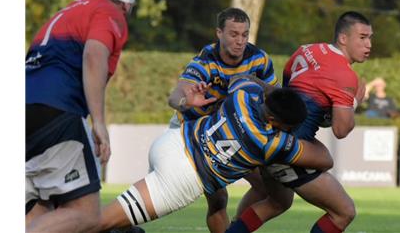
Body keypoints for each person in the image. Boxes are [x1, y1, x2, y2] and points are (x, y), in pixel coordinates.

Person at [98, 76, 334, 233]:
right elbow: (325, 159)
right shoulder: (271, 142)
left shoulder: (244, 95)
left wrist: (277, 93)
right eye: (288, 127)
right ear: (273, 121)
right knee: (98, 222)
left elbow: (240, 78)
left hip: (172, 142)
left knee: (118, 222)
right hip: (183, 177)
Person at [227, 11, 372, 233]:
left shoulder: (308, 49)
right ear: (343, 38)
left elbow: (288, 94)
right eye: (362, 37)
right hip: (289, 148)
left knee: (278, 202)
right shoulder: (345, 75)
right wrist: (354, 104)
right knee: (343, 212)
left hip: (270, 136)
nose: (369, 44)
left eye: (370, 37)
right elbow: (341, 129)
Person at [25, 0, 138, 233]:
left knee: (41, 211)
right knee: (86, 214)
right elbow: (93, 56)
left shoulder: (69, 10)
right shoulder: (110, 11)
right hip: (54, 110)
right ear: (127, 2)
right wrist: (98, 122)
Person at [161, 7, 279, 232]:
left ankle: (236, 228)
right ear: (219, 33)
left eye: (244, 35)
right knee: (217, 199)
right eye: (234, 34)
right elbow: (175, 97)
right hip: (194, 132)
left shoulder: (259, 59)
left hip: (231, 131)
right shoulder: (206, 60)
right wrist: (187, 103)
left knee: (265, 188)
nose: (240, 41)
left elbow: (275, 95)